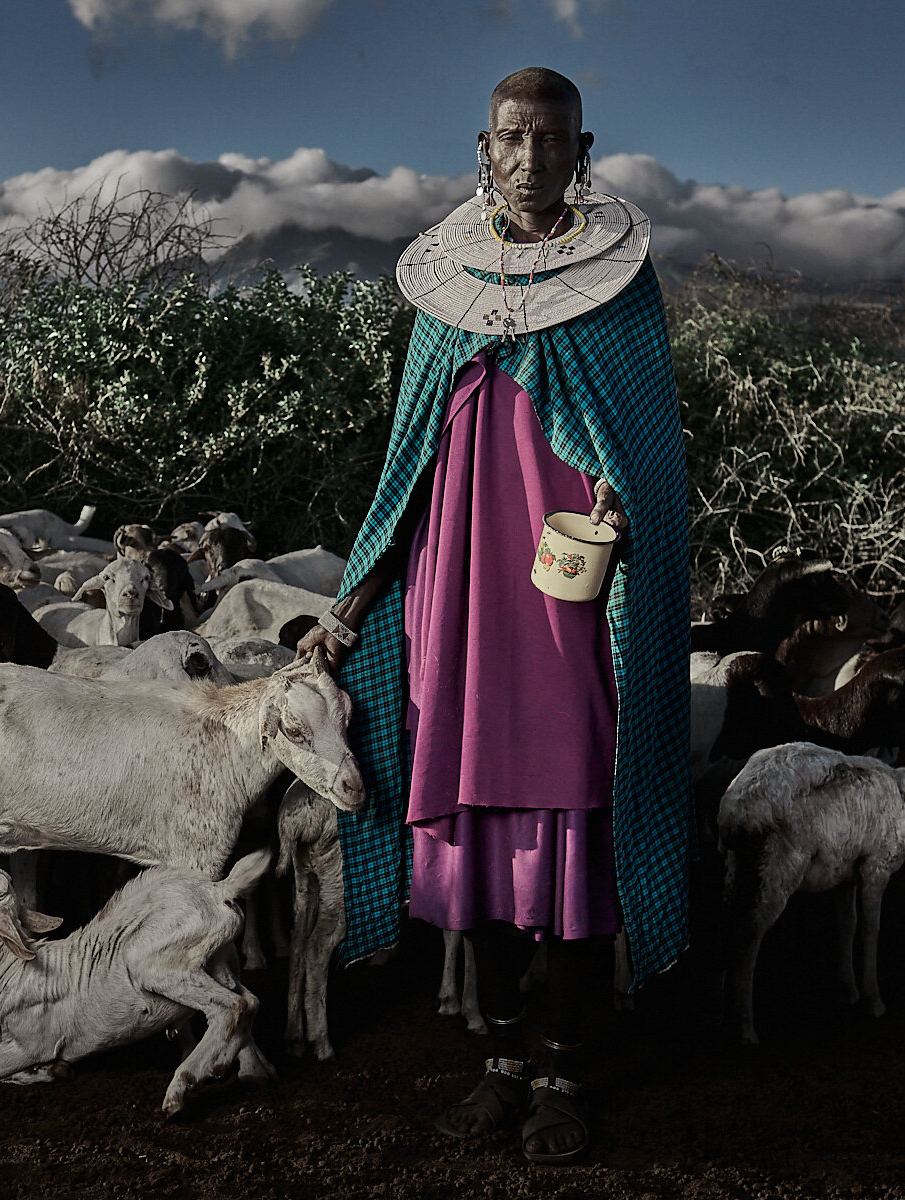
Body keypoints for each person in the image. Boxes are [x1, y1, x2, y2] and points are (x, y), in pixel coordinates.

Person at [296, 67, 692, 1164]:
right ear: (485, 145)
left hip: (566, 601)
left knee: (571, 813)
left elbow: (649, 443)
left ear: (583, 147)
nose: (529, 159)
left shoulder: (621, 285)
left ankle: (565, 1073)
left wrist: (623, 492)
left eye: (551, 140)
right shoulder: (442, 288)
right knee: (464, 826)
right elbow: (410, 460)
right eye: (512, 139)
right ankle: (503, 1062)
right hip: (459, 592)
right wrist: (357, 597)